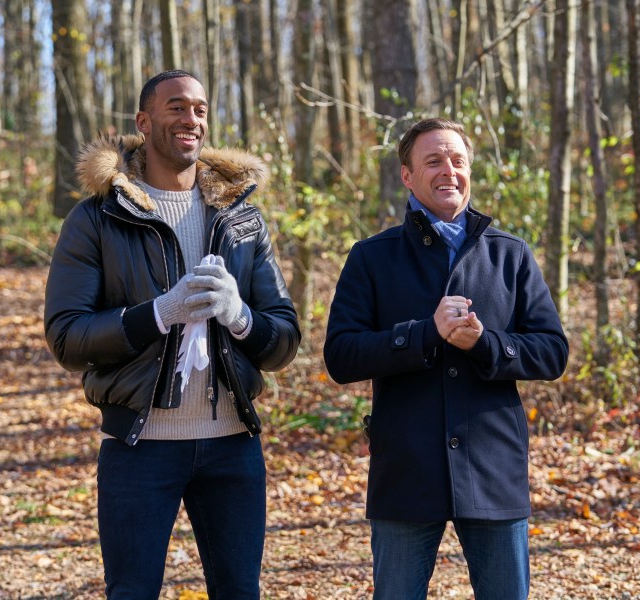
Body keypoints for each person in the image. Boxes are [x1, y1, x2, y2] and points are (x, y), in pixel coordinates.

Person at [44, 69, 300, 599]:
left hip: (232, 446)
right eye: (177, 107)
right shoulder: (96, 219)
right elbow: (67, 337)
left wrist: (240, 317)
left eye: (201, 109)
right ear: (144, 121)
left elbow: (284, 340)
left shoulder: (242, 220)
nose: (192, 120)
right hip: (139, 448)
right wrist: (158, 313)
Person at [323, 117, 568, 599]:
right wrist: (422, 336)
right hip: (405, 472)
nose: (448, 171)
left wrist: (485, 345)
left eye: (457, 160)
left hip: (493, 468)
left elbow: (552, 351)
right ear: (407, 176)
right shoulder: (372, 257)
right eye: (433, 160)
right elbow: (342, 355)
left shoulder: (511, 254)